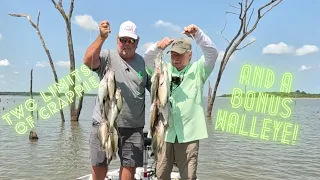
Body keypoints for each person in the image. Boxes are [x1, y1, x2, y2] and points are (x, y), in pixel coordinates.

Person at [143, 24, 218, 180]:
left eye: (180, 55)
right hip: (165, 132)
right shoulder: (163, 69)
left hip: (189, 134)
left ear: (189, 55)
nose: (175, 58)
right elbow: (148, 58)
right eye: (173, 55)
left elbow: (212, 53)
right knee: (161, 173)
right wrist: (158, 46)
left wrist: (198, 35)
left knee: (189, 176)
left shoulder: (198, 70)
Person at [83, 20, 151, 180]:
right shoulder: (107, 56)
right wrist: (101, 37)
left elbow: (156, 90)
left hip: (132, 127)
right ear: (117, 40)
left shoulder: (143, 63)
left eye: (131, 40)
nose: (126, 44)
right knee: (99, 164)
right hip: (104, 123)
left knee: (129, 166)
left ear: (137, 42)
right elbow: (88, 61)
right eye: (123, 40)